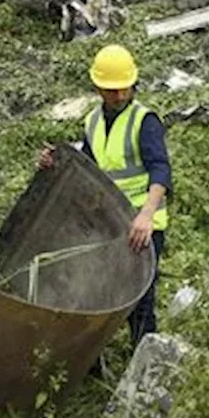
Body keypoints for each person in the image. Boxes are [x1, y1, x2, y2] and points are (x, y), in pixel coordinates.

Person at [38, 45, 170, 346]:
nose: (120, 96)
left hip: (142, 225)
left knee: (140, 300)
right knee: (99, 292)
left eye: (125, 89)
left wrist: (146, 215)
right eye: (112, 90)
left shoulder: (144, 121)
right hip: (108, 223)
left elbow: (161, 170)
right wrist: (54, 162)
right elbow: (87, 167)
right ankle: (93, 363)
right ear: (98, 87)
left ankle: (143, 361)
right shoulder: (93, 122)